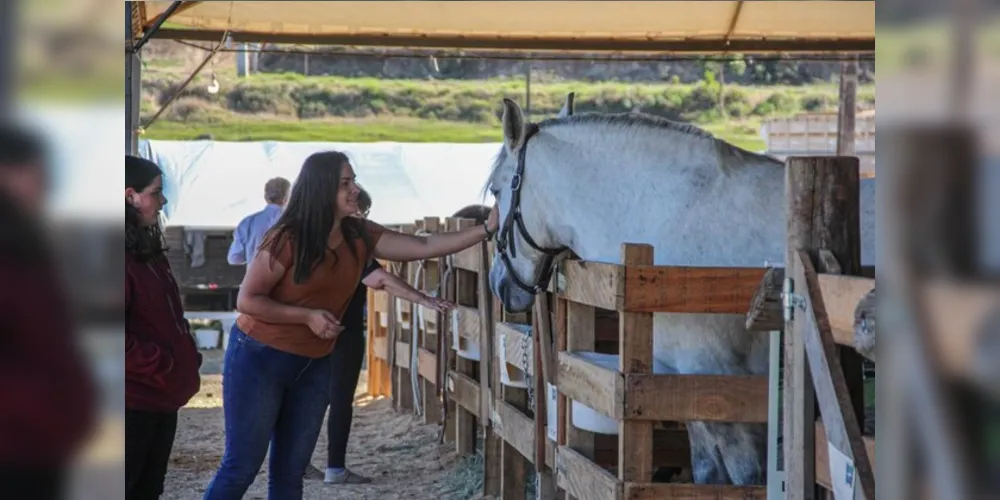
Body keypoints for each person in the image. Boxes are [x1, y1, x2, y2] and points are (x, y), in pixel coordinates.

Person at [203, 151, 498, 500]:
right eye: (345, 183)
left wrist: (487, 228)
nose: (355, 189)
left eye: (354, 180)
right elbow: (248, 300)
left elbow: (424, 245)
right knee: (241, 466)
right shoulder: (287, 237)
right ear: (322, 188)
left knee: (289, 473)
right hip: (259, 357)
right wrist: (307, 316)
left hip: (314, 363)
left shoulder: (358, 234)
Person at [304, 186, 454, 485]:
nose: (363, 219)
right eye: (361, 212)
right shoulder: (350, 244)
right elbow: (381, 280)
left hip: (309, 329)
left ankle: (299, 461)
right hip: (342, 331)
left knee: (312, 397)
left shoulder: (314, 237)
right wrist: (424, 299)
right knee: (340, 397)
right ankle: (335, 467)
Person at [0, 124, 96, 500]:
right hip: (17, 443)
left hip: (39, 444)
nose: (46, 187)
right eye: (37, 175)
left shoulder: (26, 245)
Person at [126, 154, 203, 500]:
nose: (163, 201)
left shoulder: (146, 248)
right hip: (131, 400)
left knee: (148, 489)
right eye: (156, 192)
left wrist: (184, 356)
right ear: (130, 196)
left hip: (157, 397)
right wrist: (162, 362)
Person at [227, 176, 291, 266]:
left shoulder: (247, 223)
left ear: (265, 197)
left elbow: (234, 258)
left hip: (255, 277)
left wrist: (252, 256)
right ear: (287, 198)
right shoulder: (299, 222)